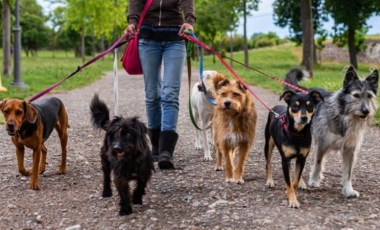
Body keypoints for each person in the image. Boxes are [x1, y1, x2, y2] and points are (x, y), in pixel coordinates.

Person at [126, 0, 196, 170]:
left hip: (175, 38)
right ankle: (156, 146)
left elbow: (187, 2)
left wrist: (189, 20)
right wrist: (132, 23)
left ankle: (166, 150)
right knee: (152, 95)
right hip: (148, 39)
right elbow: (136, 2)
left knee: (170, 94)